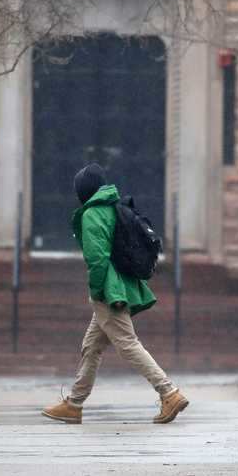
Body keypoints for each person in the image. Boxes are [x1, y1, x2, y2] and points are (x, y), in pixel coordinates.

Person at [41, 163, 189, 424]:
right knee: (92, 346)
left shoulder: (92, 214)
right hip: (121, 285)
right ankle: (74, 404)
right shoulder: (113, 207)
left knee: (127, 343)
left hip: (109, 290)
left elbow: (97, 259)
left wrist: (98, 291)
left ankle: (169, 392)